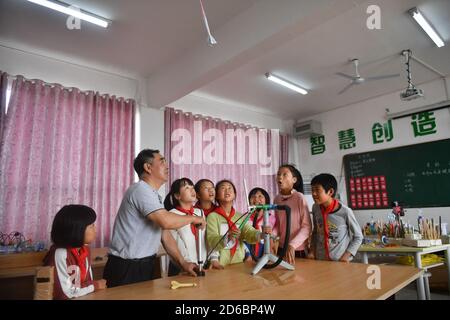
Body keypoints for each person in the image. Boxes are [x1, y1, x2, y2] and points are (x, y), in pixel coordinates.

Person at [103, 149, 206, 287]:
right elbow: (165, 221)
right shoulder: (140, 190)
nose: (167, 166)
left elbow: (165, 235)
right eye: (162, 161)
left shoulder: (154, 196)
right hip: (126, 267)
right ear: (148, 167)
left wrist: (183, 263)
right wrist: (193, 219)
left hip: (145, 264)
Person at [43, 205, 107, 299]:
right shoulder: (60, 254)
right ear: (77, 230)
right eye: (91, 226)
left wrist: (92, 286)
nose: (95, 230)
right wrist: (95, 285)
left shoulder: (85, 250)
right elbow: (66, 293)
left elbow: (84, 283)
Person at [206, 180, 270, 267]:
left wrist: (261, 234)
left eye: (230, 188)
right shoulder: (212, 217)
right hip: (220, 264)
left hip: (239, 262)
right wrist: (227, 237)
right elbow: (211, 239)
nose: (227, 190)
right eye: (223, 188)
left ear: (235, 194)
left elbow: (249, 232)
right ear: (216, 195)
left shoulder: (240, 216)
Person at [308, 173, 363, 262]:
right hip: (320, 260)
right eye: (312, 190)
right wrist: (312, 251)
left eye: (317, 190)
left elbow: (358, 236)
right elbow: (316, 232)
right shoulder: (315, 208)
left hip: (339, 261)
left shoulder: (345, 211)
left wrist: (346, 256)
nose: (313, 194)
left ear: (330, 192)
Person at [163, 178, 207, 276]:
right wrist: (186, 262)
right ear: (177, 196)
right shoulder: (172, 215)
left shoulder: (199, 212)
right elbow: (176, 242)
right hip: (182, 267)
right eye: (187, 188)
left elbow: (204, 239)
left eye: (192, 187)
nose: (192, 190)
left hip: (201, 264)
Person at [273, 164, 311, 265]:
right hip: (282, 248)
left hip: (297, 249)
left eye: (285, 174)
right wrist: (271, 236)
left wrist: (292, 245)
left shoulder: (299, 197)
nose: (280, 177)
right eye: (278, 174)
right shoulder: (276, 199)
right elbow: (278, 224)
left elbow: (307, 227)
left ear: (294, 180)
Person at [244, 187, 276, 261]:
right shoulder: (245, 218)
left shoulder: (271, 218)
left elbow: (273, 238)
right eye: (253, 197)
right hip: (248, 252)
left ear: (266, 200)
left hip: (265, 251)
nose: (256, 199)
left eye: (260, 196)